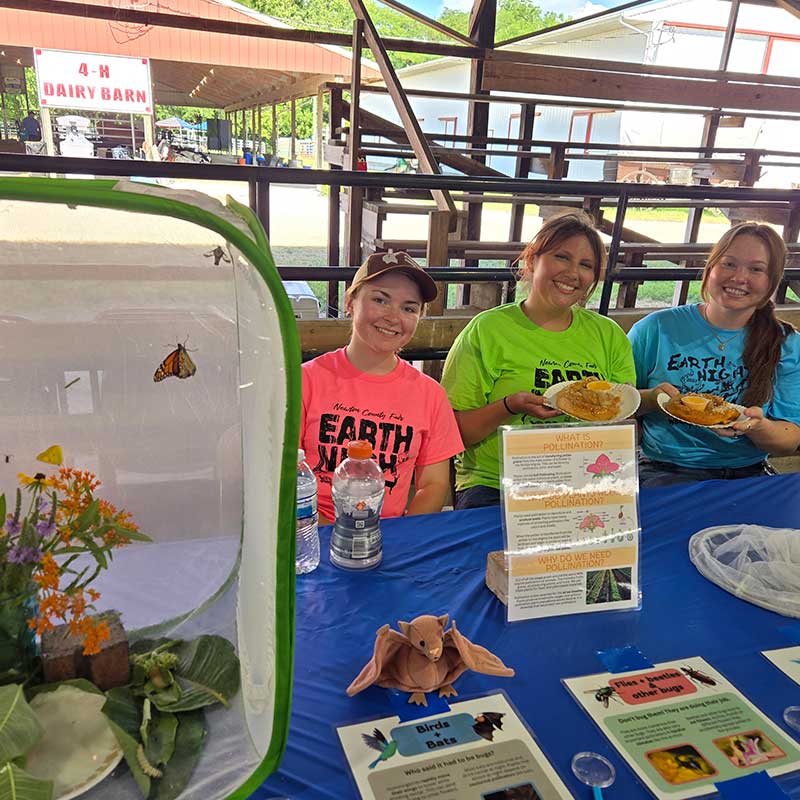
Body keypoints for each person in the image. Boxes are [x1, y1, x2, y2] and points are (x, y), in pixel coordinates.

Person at [441, 211, 636, 510]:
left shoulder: (608, 335)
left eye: (586, 265)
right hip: (496, 483)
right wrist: (509, 406)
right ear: (532, 260)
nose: (573, 273)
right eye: (562, 257)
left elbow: (621, 415)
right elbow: (455, 432)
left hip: (582, 479)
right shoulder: (487, 330)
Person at [630, 222, 800, 487]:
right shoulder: (655, 329)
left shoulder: (787, 343)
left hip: (748, 472)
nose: (738, 277)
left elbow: (789, 439)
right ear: (710, 268)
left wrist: (757, 426)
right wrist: (653, 400)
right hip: (664, 469)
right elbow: (621, 404)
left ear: (771, 282)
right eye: (729, 264)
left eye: (756, 269)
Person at [301, 251, 463, 523]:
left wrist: (401, 538)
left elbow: (433, 485)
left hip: (387, 539)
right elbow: (285, 475)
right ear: (350, 302)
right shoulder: (306, 380)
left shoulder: (430, 394)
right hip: (311, 534)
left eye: (409, 308)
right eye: (380, 300)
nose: (393, 317)